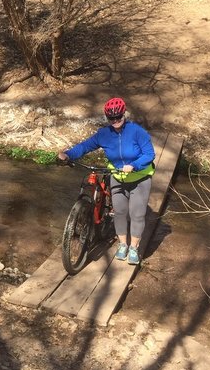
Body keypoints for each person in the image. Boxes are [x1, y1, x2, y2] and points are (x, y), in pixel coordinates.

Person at [57, 97, 155, 265]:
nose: (116, 121)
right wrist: (68, 155)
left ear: (124, 114)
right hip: (117, 177)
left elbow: (149, 154)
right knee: (120, 212)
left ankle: (134, 248)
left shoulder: (137, 132)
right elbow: (85, 146)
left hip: (139, 178)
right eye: (112, 118)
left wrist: (134, 165)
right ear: (107, 118)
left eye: (119, 117)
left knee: (137, 214)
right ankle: (123, 245)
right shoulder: (104, 134)